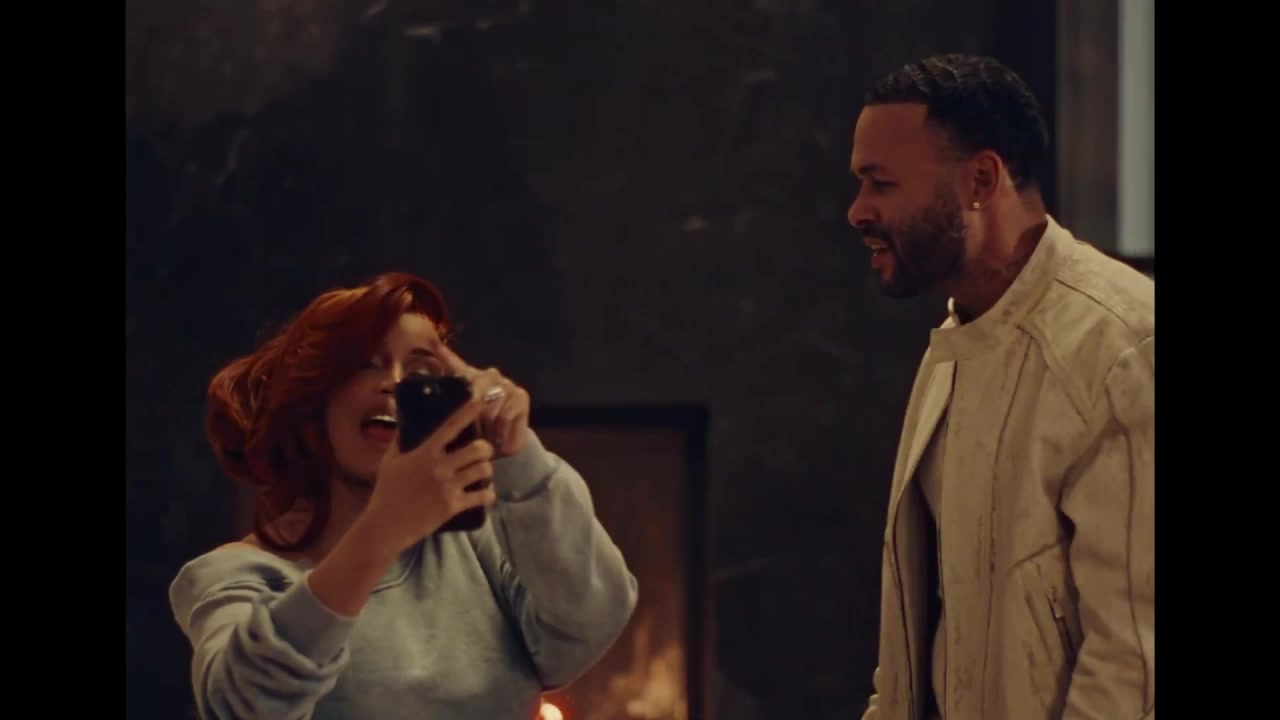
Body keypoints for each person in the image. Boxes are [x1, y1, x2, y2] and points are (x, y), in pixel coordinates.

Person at [168, 272, 639, 719]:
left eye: (421, 371)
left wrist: (518, 455)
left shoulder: (479, 547)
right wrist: (384, 528)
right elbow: (243, 706)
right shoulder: (238, 573)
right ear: (313, 406)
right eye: (365, 364)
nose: (394, 382)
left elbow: (589, 624)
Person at [847, 55, 1153, 720]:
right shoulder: (954, 347)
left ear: (981, 180)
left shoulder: (1123, 349)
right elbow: (918, 649)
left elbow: (1134, 670)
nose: (858, 211)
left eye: (881, 183)